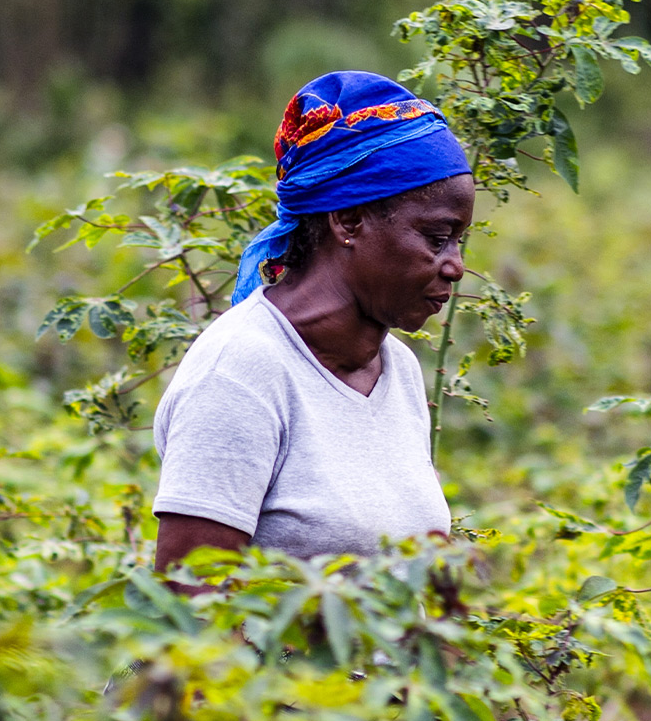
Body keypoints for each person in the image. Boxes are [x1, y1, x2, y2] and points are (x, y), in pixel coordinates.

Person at [151, 70, 475, 568]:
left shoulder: (399, 370)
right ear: (348, 220)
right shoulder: (240, 373)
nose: (455, 267)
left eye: (459, 242)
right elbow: (195, 613)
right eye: (437, 238)